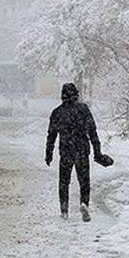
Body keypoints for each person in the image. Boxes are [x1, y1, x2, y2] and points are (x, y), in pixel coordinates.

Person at [45, 82, 101, 221]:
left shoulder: (57, 112)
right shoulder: (83, 110)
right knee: (84, 181)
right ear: (76, 94)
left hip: (66, 151)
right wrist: (97, 151)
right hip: (81, 150)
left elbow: (51, 135)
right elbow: (93, 131)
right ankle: (84, 204)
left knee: (64, 182)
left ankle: (64, 209)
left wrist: (49, 153)